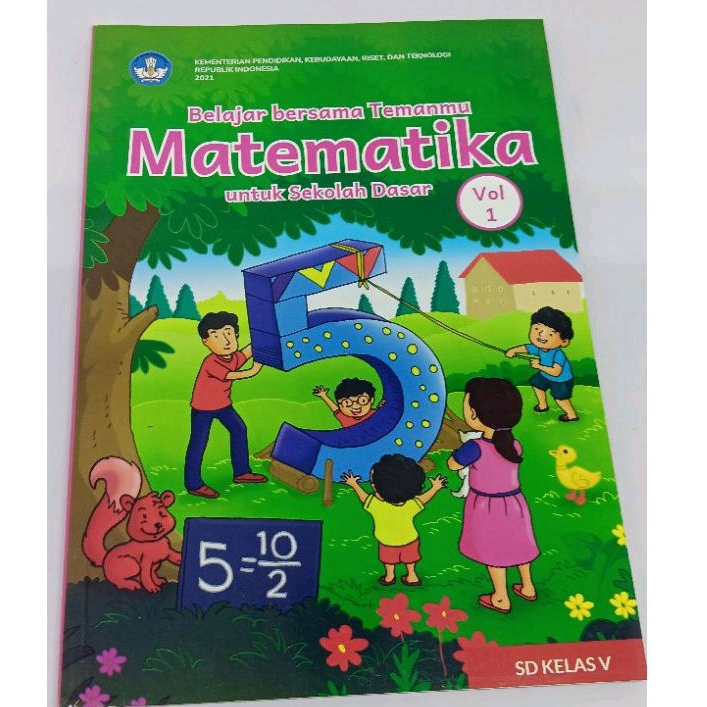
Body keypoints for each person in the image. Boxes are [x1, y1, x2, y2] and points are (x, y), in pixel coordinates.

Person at [447, 377, 539, 614]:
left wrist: (460, 451)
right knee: (519, 544)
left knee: (494, 550)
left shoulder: (475, 447)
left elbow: (452, 464)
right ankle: (528, 586)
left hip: (486, 505)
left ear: (475, 414)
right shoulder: (514, 444)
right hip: (515, 503)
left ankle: (500, 597)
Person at [184, 311, 266, 498]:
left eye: (229, 333)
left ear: (236, 334)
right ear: (206, 342)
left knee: (239, 429)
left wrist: (265, 338)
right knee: (199, 443)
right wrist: (255, 369)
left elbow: (249, 351)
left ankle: (241, 472)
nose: (225, 340)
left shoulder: (233, 357)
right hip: (203, 409)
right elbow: (237, 375)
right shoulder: (211, 362)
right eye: (216, 336)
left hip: (223, 405)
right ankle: (193, 484)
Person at [342, 454, 447, 586]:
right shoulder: (411, 504)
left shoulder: (376, 505)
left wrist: (354, 484)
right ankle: (412, 576)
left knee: (389, 561)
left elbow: (364, 498)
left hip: (387, 542)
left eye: (373, 483)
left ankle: (389, 577)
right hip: (410, 539)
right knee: (410, 560)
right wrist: (435, 488)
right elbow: (424, 499)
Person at [505, 306, 579, 422]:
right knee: (537, 384)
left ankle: (571, 415)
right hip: (545, 375)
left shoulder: (558, 354)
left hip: (561, 380)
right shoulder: (538, 347)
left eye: (550, 334)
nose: (541, 335)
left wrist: (539, 366)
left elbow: (556, 372)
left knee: (560, 398)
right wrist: (513, 350)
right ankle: (543, 406)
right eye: (536, 329)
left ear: (564, 342)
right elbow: (526, 348)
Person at [312, 377, 383, 428]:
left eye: (362, 401)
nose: (355, 406)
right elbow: (335, 409)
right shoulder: (343, 417)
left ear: (371, 400)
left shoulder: (374, 413)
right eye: (347, 403)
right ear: (340, 404)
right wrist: (323, 396)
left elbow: (381, 414)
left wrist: (380, 406)